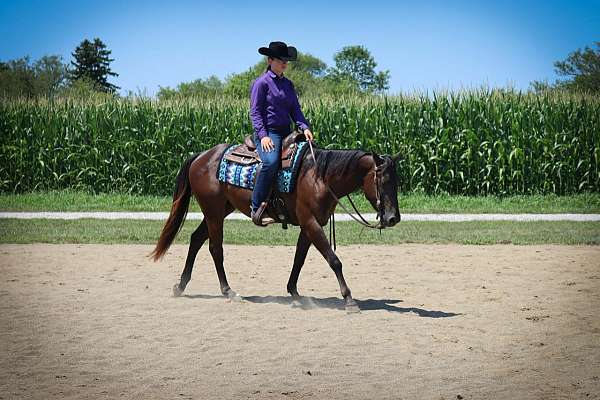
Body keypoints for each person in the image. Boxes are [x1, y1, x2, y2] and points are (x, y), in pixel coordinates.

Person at [249, 41, 314, 226]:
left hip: (288, 132)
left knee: (308, 158)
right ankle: (256, 208)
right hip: (270, 132)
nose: (284, 63)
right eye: (280, 60)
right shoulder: (261, 83)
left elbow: (296, 110)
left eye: (286, 60)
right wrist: (263, 136)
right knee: (270, 163)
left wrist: (305, 127)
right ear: (270, 60)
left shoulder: (288, 84)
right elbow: (255, 112)